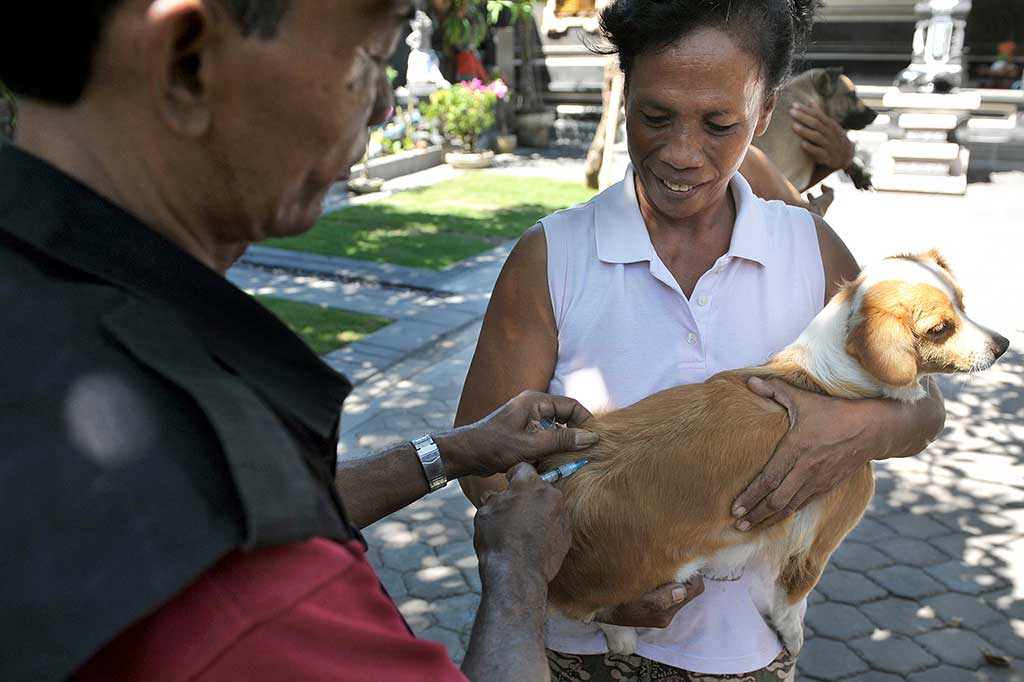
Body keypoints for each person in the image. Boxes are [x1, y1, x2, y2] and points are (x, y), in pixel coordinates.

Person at [0, 2, 608, 681]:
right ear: (187, 62)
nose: (382, 105)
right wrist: (518, 574)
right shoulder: (246, 596)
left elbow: (251, 499)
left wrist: (451, 452)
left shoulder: (44, 300)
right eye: (368, 57)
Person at [456, 1, 946, 680]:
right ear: (625, 91)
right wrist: (593, 586)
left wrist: (853, 429)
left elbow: (923, 410)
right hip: (575, 650)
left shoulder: (809, 251)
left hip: (747, 654)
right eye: (655, 117)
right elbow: (481, 462)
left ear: (765, 112)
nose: (683, 153)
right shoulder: (553, 257)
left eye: (720, 125)